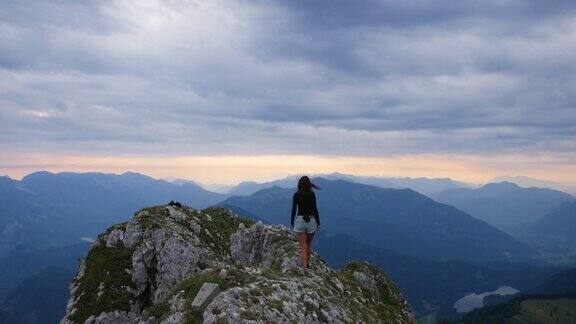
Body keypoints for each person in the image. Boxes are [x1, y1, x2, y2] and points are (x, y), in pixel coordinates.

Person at [291, 175, 321, 273]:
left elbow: (294, 209)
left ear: (299, 184)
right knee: (308, 244)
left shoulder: (296, 194)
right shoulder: (312, 194)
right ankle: (307, 263)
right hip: (311, 220)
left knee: (302, 245)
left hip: (300, 221)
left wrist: (292, 222)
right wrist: (318, 223)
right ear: (309, 184)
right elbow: (315, 209)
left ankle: (304, 269)